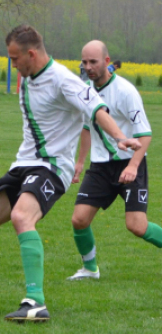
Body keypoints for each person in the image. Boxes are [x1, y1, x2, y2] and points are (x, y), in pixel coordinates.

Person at [0, 25, 140, 322]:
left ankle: (36, 302)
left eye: (15, 58)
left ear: (32, 54)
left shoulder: (64, 80)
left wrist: (120, 137)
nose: (13, 64)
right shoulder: (28, 77)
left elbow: (96, 109)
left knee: (21, 216)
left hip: (53, 166)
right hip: (23, 164)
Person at [68, 40, 162, 281]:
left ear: (107, 62)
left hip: (131, 162)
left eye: (93, 62)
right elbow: (87, 128)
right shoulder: (84, 91)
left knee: (137, 226)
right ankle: (90, 269)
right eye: (84, 62)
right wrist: (80, 162)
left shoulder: (126, 92)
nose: (87, 67)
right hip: (100, 167)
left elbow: (145, 135)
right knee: (79, 219)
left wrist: (132, 166)